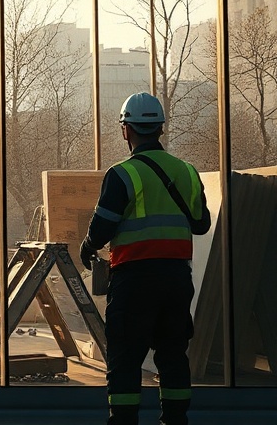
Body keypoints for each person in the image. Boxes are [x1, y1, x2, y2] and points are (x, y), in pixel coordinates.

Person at [79, 92, 210, 425]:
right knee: (173, 356)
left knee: (125, 359)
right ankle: (176, 420)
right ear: (160, 129)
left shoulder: (122, 175)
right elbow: (201, 223)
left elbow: (103, 227)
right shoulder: (188, 172)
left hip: (134, 280)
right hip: (177, 280)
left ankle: (123, 421)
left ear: (126, 130)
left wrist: (88, 244)